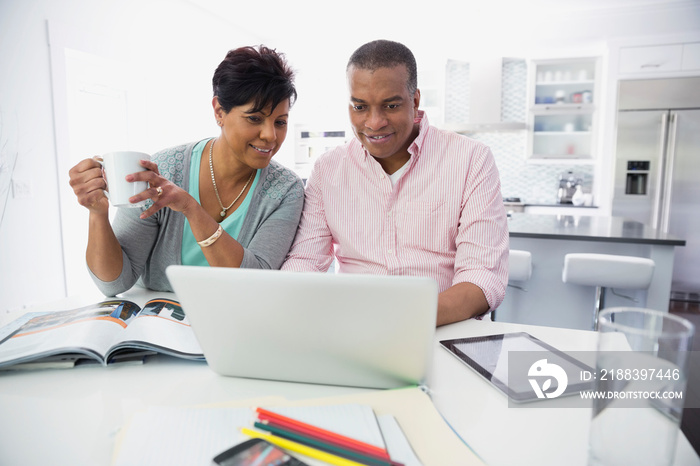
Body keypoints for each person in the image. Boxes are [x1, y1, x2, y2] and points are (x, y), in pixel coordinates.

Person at [282, 40, 509, 326]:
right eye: (360, 106)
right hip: (353, 331)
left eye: (390, 105)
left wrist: (399, 320)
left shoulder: (470, 159)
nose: (374, 122)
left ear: (414, 101)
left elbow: (483, 278)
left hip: (443, 330)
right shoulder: (328, 169)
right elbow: (305, 261)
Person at [69, 45, 304, 296]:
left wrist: (191, 209)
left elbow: (255, 283)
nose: (270, 135)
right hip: (155, 323)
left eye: (280, 122)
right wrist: (97, 213)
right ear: (219, 111)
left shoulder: (285, 190)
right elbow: (114, 283)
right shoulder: (165, 170)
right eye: (254, 118)